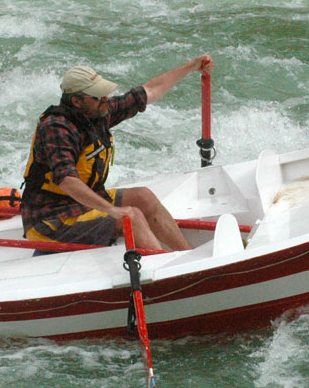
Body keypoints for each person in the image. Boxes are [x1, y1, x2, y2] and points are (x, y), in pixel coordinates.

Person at [21, 55, 213, 252]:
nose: (105, 99)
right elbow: (67, 181)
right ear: (77, 101)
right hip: (52, 220)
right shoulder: (57, 127)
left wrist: (190, 67)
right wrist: (111, 210)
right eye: (98, 96)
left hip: (80, 206)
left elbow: (149, 91)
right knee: (131, 217)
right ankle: (165, 265)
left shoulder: (98, 112)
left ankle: (188, 254)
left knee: (143, 197)